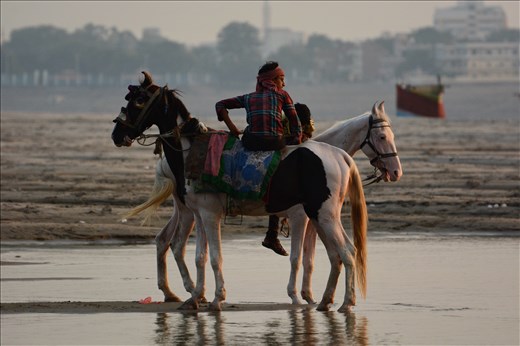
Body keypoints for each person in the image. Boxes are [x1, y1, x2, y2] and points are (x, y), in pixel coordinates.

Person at [215, 61, 302, 256]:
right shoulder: (282, 95)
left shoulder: (248, 97)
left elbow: (220, 104)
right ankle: (272, 234)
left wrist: (232, 128)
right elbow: (295, 122)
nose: (284, 84)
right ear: (273, 80)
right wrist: (296, 140)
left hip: (251, 142)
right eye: (281, 79)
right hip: (275, 144)